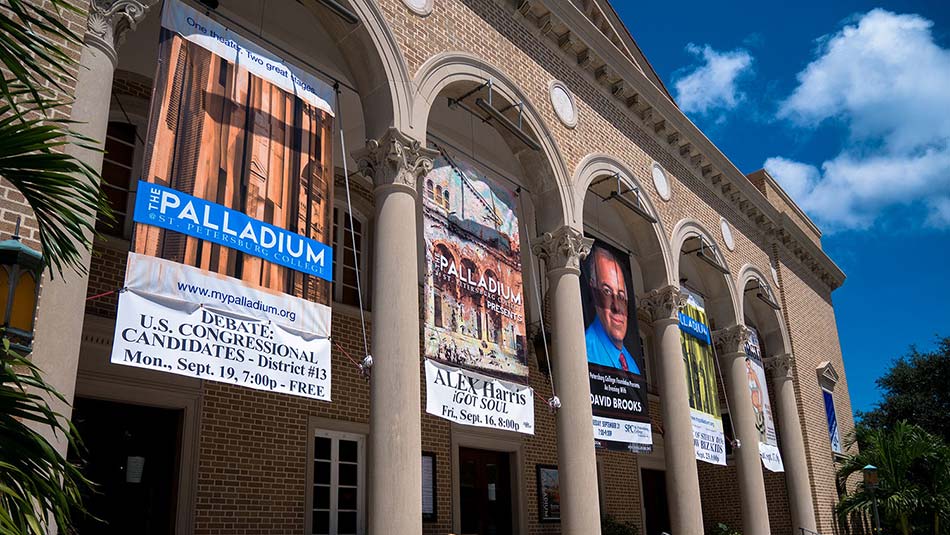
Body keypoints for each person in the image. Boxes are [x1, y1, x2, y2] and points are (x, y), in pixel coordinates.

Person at [585, 246, 640, 374]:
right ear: (593, 292)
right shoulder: (587, 352)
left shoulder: (631, 364)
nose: (617, 307)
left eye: (621, 296)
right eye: (607, 291)